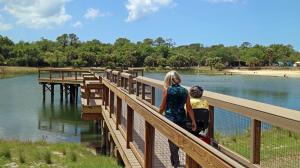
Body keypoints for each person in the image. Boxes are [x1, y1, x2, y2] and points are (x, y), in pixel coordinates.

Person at [159, 71, 197, 167]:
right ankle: (175, 162)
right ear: (178, 79)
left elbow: (162, 107)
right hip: (182, 119)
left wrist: (158, 116)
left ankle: (176, 164)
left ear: (168, 80)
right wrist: (193, 121)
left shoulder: (167, 90)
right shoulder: (185, 91)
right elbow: (189, 107)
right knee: (178, 141)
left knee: (172, 142)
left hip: (170, 120)